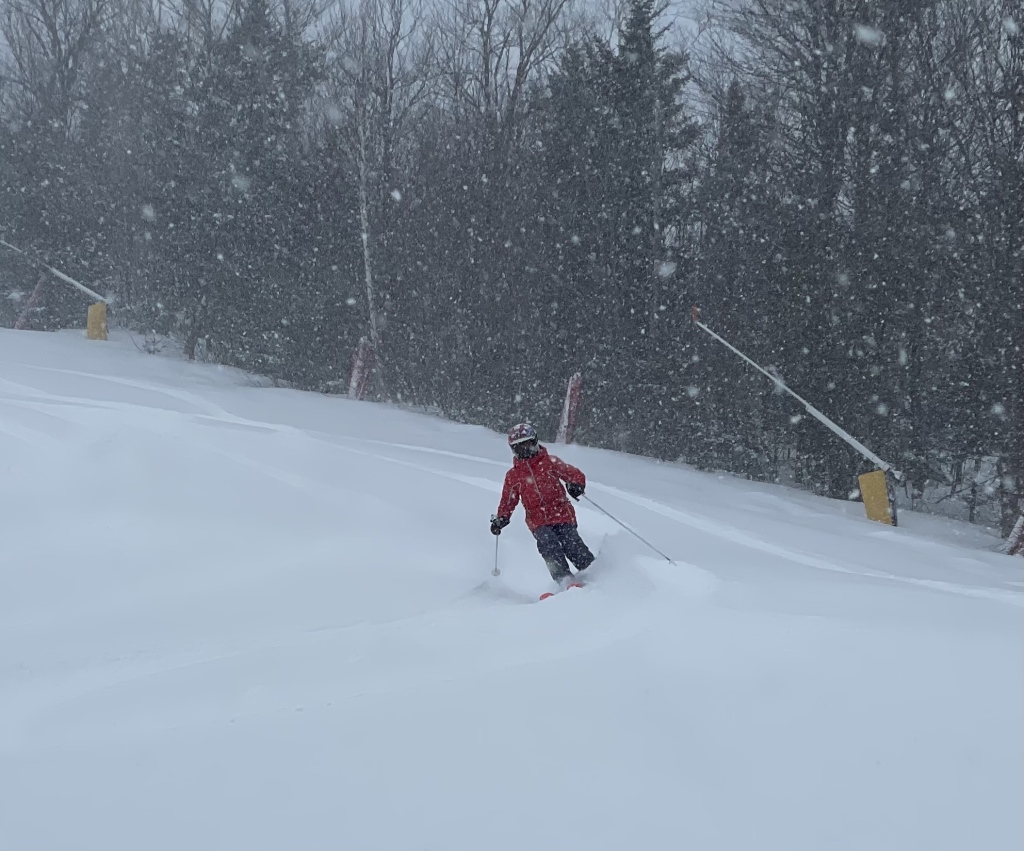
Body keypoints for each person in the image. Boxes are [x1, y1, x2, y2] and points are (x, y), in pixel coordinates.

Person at [490, 422, 595, 586]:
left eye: (527, 446)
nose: (525, 451)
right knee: (548, 544)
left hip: (562, 514)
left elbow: (573, 474)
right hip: (538, 521)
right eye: (519, 448)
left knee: (571, 542)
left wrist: (576, 484)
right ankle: (564, 579)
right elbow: (508, 499)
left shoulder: (550, 463)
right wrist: (502, 518)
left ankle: (591, 571)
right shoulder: (514, 475)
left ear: (535, 442)